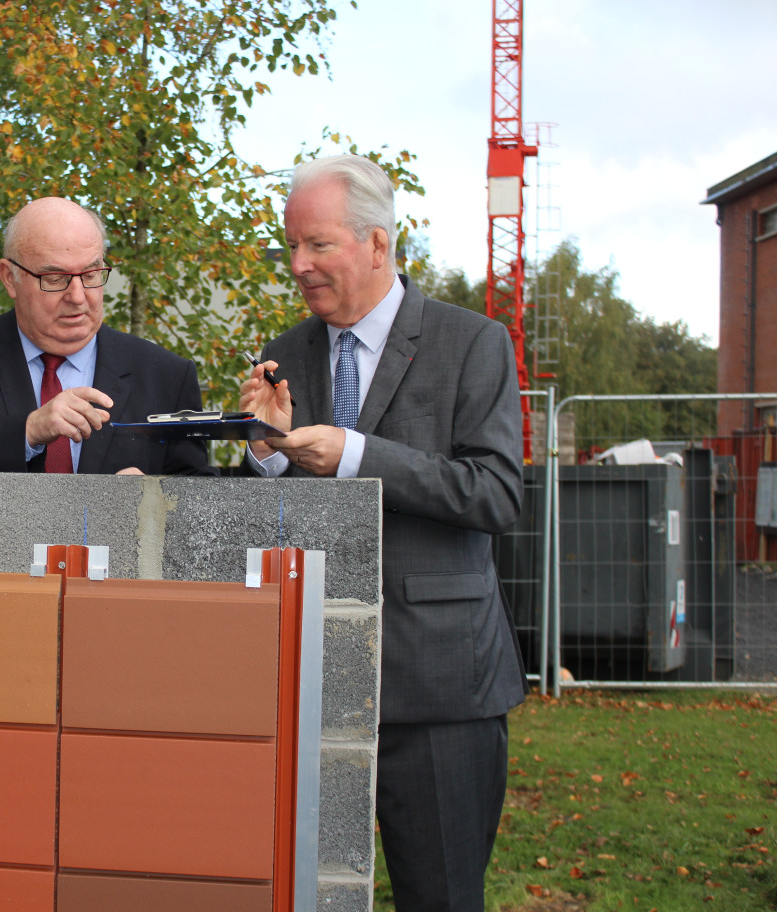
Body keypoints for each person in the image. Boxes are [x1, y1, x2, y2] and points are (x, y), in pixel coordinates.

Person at [240, 156, 527, 912]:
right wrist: (265, 456)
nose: (298, 266)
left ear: (377, 243)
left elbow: (498, 493)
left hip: (437, 690)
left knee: (440, 897)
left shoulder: (473, 343)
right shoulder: (288, 349)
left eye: (317, 245)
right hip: (311, 682)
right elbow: (271, 521)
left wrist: (358, 457)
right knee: (307, 894)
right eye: (291, 247)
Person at [0, 197, 212, 475]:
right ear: (10, 277)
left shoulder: (166, 374)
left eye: (90, 275)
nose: (77, 296)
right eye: (55, 278)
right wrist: (29, 430)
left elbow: (196, 494)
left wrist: (153, 500)